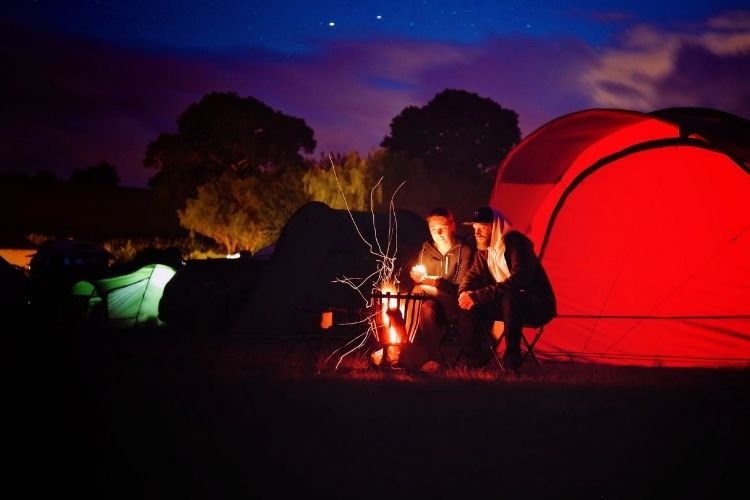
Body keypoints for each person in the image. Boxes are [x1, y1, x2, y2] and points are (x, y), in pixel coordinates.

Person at [458, 206, 556, 371]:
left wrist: (478, 296)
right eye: (475, 228)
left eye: (482, 227)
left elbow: (520, 280)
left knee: (511, 298)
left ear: (495, 226)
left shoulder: (516, 243)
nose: (477, 233)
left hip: (536, 304)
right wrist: (464, 293)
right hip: (508, 304)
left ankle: (511, 361)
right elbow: (471, 276)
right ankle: (475, 360)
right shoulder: (484, 252)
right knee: (466, 305)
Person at [400, 207, 475, 372]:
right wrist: (418, 276)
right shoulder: (426, 251)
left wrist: (431, 282)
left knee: (419, 289)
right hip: (434, 307)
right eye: (433, 229)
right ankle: (434, 359)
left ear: (452, 226)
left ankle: (404, 344)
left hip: (456, 304)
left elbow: (461, 286)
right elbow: (419, 275)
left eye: (443, 227)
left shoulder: (464, 250)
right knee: (426, 306)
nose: (438, 232)